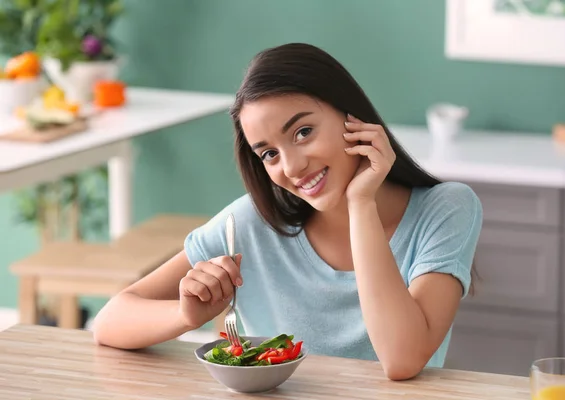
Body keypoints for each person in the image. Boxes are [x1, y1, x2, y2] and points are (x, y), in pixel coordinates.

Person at [92, 42, 483, 380]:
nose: (292, 167)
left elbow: (402, 359)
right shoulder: (247, 224)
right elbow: (110, 322)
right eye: (269, 153)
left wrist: (361, 203)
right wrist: (186, 316)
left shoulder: (445, 209)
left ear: (352, 118)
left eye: (303, 132)